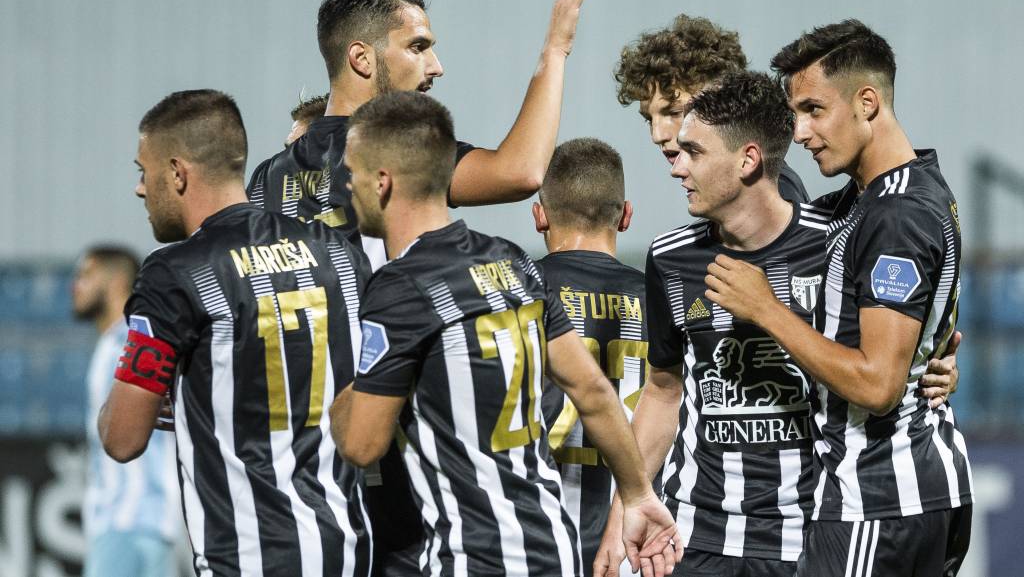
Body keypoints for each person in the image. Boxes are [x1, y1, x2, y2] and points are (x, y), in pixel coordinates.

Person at [329, 91, 682, 577]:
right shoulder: (512, 262)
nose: (346, 186)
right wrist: (638, 495)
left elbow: (360, 445)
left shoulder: (401, 287)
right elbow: (594, 392)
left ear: (382, 182)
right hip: (553, 549)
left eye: (351, 172)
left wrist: (344, 392)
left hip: (473, 557)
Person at [706, 21, 973, 576]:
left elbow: (877, 385)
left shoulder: (896, 215)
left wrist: (766, 310)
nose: (801, 132)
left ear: (866, 103)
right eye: (795, 114)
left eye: (814, 110)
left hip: (878, 496)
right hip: (910, 491)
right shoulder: (875, 197)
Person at [98, 89, 374, 577]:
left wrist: (159, 396)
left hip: (248, 556)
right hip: (349, 550)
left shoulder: (176, 272)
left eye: (144, 171)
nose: (141, 188)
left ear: (178, 173)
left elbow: (122, 438)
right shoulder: (337, 252)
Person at [597, 71, 827, 577]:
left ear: (747, 160)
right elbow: (663, 392)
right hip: (696, 537)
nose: (678, 166)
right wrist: (623, 512)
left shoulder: (831, 246)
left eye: (694, 152)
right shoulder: (671, 257)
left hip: (809, 537)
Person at [248, 0, 588, 269]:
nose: (436, 66)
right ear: (361, 58)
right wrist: (555, 50)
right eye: (417, 47)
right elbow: (520, 172)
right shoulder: (395, 151)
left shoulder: (265, 178)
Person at [530, 138, 647, 576]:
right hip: (635, 544)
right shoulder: (661, 299)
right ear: (626, 215)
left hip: (535, 540)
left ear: (539, 215)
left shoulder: (518, 294)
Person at [614, 14, 808, 204]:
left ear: (723, 100)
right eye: (649, 119)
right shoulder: (727, 193)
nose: (657, 136)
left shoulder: (776, 193)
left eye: (674, 113)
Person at [74, 246, 180, 577]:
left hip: (127, 519)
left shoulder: (130, 342)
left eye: (87, 274)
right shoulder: (118, 341)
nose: (76, 285)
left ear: (118, 280)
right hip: (148, 522)